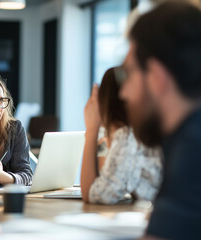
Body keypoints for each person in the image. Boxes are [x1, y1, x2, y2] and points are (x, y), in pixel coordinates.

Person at [118, 1, 201, 239]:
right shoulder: (184, 138)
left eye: (128, 74)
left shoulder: (192, 150)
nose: (124, 93)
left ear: (156, 76)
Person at [81, 68, 162, 204]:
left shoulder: (127, 137)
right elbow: (107, 177)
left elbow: (94, 194)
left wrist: (91, 130)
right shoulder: (141, 132)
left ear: (103, 102)